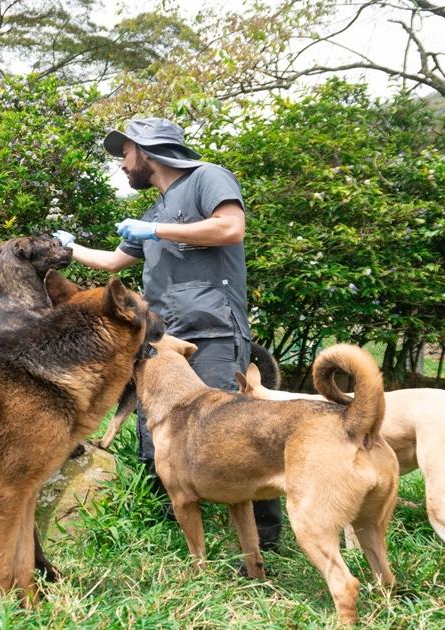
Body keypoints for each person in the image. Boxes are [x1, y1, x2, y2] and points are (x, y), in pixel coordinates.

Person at [54, 117, 282, 551]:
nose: (122, 165)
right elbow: (112, 263)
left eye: (125, 154)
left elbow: (231, 228)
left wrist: (156, 230)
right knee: (157, 430)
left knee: (233, 428)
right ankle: (169, 533)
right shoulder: (154, 210)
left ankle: (264, 543)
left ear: (146, 150)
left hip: (213, 328)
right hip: (164, 338)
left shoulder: (206, 178)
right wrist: (67, 247)